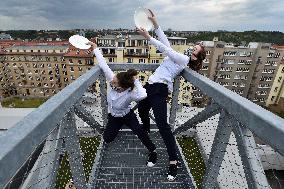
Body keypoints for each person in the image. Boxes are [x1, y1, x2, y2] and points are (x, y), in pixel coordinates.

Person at [137, 10, 206, 181]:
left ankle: (173, 161)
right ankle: (148, 138)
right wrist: (155, 23)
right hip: (150, 85)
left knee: (163, 125)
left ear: (196, 57)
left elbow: (165, 50)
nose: (192, 47)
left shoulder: (184, 60)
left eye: (195, 49)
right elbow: (165, 42)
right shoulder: (182, 57)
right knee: (142, 111)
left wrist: (148, 37)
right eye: (194, 46)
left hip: (160, 89)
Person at [87, 40, 157, 167]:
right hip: (114, 117)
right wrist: (96, 48)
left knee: (139, 131)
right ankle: (116, 127)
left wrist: (136, 81)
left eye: (114, 82)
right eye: (113, 80)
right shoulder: (114, 79)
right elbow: (103, 65)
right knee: (108, 138)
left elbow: (143, 95)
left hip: (127, 115)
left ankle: (153, 150)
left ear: (123, 86)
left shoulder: (131, 93)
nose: (111, 82)